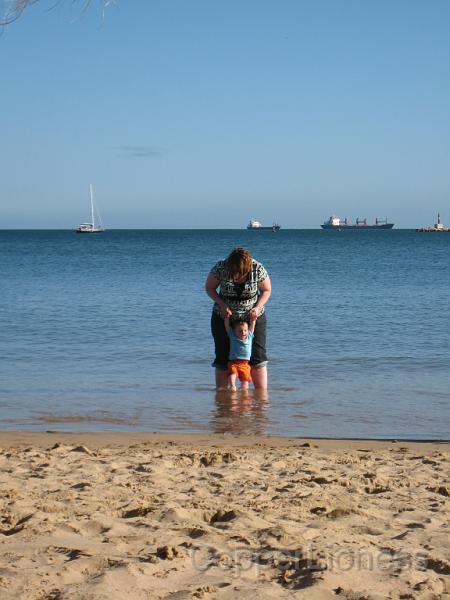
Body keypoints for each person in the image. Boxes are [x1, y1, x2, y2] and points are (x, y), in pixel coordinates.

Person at [205, 246, 271, 389]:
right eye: (234, 272)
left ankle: (261, 400)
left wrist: (257, 307)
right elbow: (209, 288)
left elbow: (266, 290)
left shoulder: (257, 268)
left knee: (257, 357)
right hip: (223, 316)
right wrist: (222, 305)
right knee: (223, 357)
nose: (237, 276)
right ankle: (222, 399)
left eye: (241, 273)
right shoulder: (221, 267)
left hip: (253, 316)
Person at [224, 315, 256, 391]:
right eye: (240, 331)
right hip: (234, 362)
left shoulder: (249, 336)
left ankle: (244, 390)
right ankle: (232, 386)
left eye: (245, 330)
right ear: (235, 331)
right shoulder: (233, 336)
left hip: (245, 363)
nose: (243, 332)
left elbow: (252, 326)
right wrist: (227, 318)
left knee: (246, 379)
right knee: (233, 374)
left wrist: (253, 319)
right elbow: (227, 326)